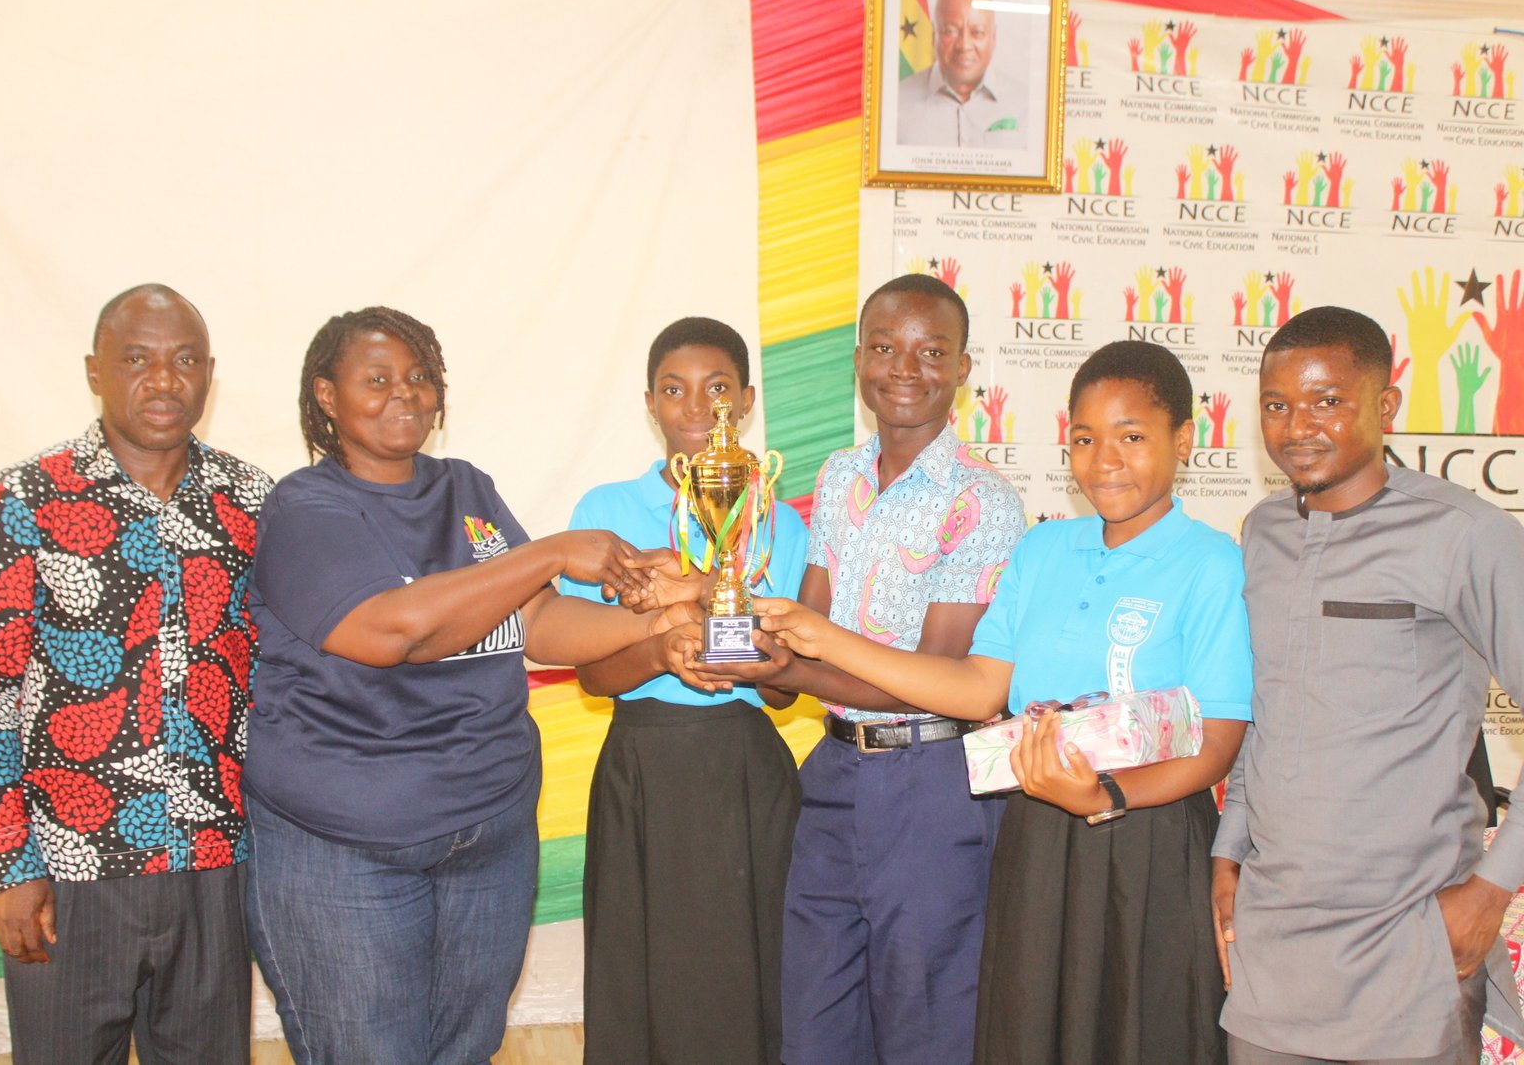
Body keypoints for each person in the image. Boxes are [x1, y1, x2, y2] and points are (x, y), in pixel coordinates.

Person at [756, 342, 1252, 1064]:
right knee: (1030, 1034)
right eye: (1084, 439)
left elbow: (1217, 743)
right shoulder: (1044, 549)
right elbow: (976, 686)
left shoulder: (1211, 561)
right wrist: (821, 638)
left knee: (1139, 1035)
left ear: (1184, 438)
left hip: (1146, 842)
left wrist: (1105, 794)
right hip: (1034, 836)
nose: (1105, 459)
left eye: (1132, 436)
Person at [240, 306, 689, 1065]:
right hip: (345, 848)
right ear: (326, 394)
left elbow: (538, 621)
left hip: (489, 831)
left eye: (420, 377)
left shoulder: (466, 487)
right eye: (376, 379)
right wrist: (546, 552)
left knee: (464, 1049)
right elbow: (395, 632)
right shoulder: (304, 507)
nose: (404, 394)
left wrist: (664, 630)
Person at [695, 274, 1025, 1065]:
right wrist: (748, 650)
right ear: (857, 360)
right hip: (835, 771)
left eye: (929, 352)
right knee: (815, 1017)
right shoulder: (840, 476)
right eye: (884, 347)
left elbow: (933, 673)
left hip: (934, 781)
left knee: (925, 1020)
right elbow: (807, 632)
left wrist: (794, 659)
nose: (903, 368)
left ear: (963, 366)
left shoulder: (982, 502)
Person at [0, 283, 270, 1064]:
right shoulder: (25, 497)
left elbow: (275, 678)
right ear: (95, 370)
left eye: (184, 360)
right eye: (138, 359)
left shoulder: (253, 500)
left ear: (210, 374)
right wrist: (12, 866)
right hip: (70, 870)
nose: (164, 380)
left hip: (214, 864)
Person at [1211, 306, 1524, 1064]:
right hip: (1271, 952)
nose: (1297, 426)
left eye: (1327, 400)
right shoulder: (1262, 533)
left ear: (1386, 405)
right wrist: (1228, 856)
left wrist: (1491, 891)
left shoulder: (1467, 535)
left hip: (1409, 946)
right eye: (1277, 404)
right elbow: (1269, 712)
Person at [561, 316, 810, 1065]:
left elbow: (782, 694)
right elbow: (592, 674)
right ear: (649, 402)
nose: (697, 408)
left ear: (749, 399)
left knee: (749, 971)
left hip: (745, 772)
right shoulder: (607, 515)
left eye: (718, 388)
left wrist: (739, 636)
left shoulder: (779, 522)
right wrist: (662, 650)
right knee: (640, 971)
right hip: (642, 765)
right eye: (674, 389)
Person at [896, 0, 1027, 150]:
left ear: (994, 37)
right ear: (934, 35)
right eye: (950, 31)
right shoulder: (896, 102)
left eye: (977, 32)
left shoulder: (1026, 104)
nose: (964, 45)